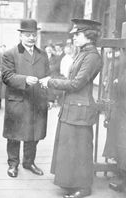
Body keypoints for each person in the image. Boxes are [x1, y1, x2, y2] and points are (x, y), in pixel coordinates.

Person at [40, 18, 102, 198]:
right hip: (72, 108)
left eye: (78, 34)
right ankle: (69, 183)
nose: (74, 38)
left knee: (80, 149)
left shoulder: (92, 56)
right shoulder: (82, 53)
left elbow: (76, 84)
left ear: (89, 36)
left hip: (80, 110)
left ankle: (83, 187)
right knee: (70, 148)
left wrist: (50, 82)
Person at [1, 19, 50, 178]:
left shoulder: (43, 55)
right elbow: (7, 76)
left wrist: (48, 98)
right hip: (18, 100)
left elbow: (47, 77)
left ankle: (29, 162)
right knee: (14, 135)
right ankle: (13, 164)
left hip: (37, 101)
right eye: (28, 35)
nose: (31, 38)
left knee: (34, 134)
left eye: (34, 35)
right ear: (20, 35)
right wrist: (24, 80)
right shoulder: (10, 53)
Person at [102, 50, 126, 193]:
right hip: (120, 105)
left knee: (123, 142)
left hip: (123, 105)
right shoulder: (121, 56)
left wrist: (118, 82)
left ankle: (123, 178)